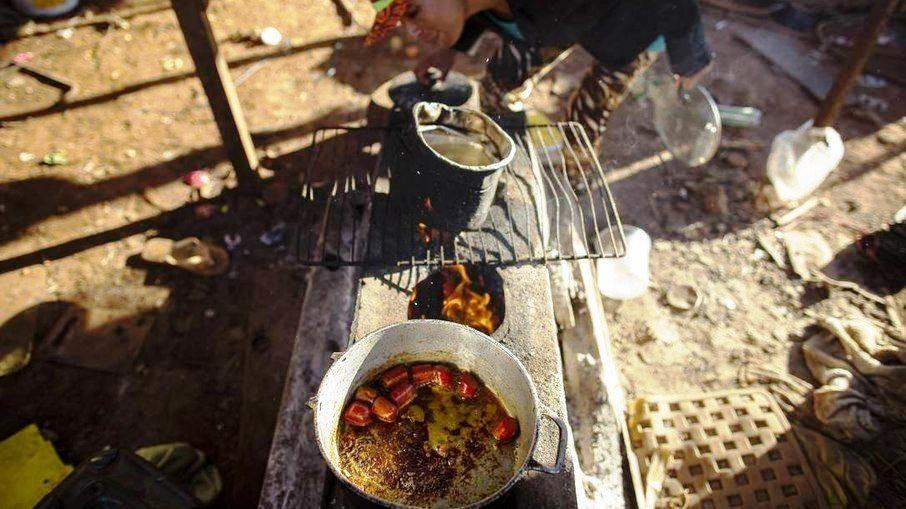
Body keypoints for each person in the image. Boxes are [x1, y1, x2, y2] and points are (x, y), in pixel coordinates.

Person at [366, 0, 714, 148]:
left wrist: (691, 54)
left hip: (630, 23)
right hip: (548, 24)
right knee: (496, 88)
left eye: (412, 11)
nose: (411, 32)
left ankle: (570, 197)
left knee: (581, 128)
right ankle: (506, 161)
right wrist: (449, 48)